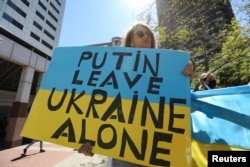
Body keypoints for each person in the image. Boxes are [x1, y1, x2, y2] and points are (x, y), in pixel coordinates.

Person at [78, 21, 195, 166]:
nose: (147, 36)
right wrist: (91, 140)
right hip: (124, 149)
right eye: (140, 33)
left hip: (157, 147)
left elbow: (176, 104)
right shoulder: (117, 69)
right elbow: (103, 106)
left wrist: (184, 78)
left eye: (149, 34)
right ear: (131, 41)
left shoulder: (168, 69)